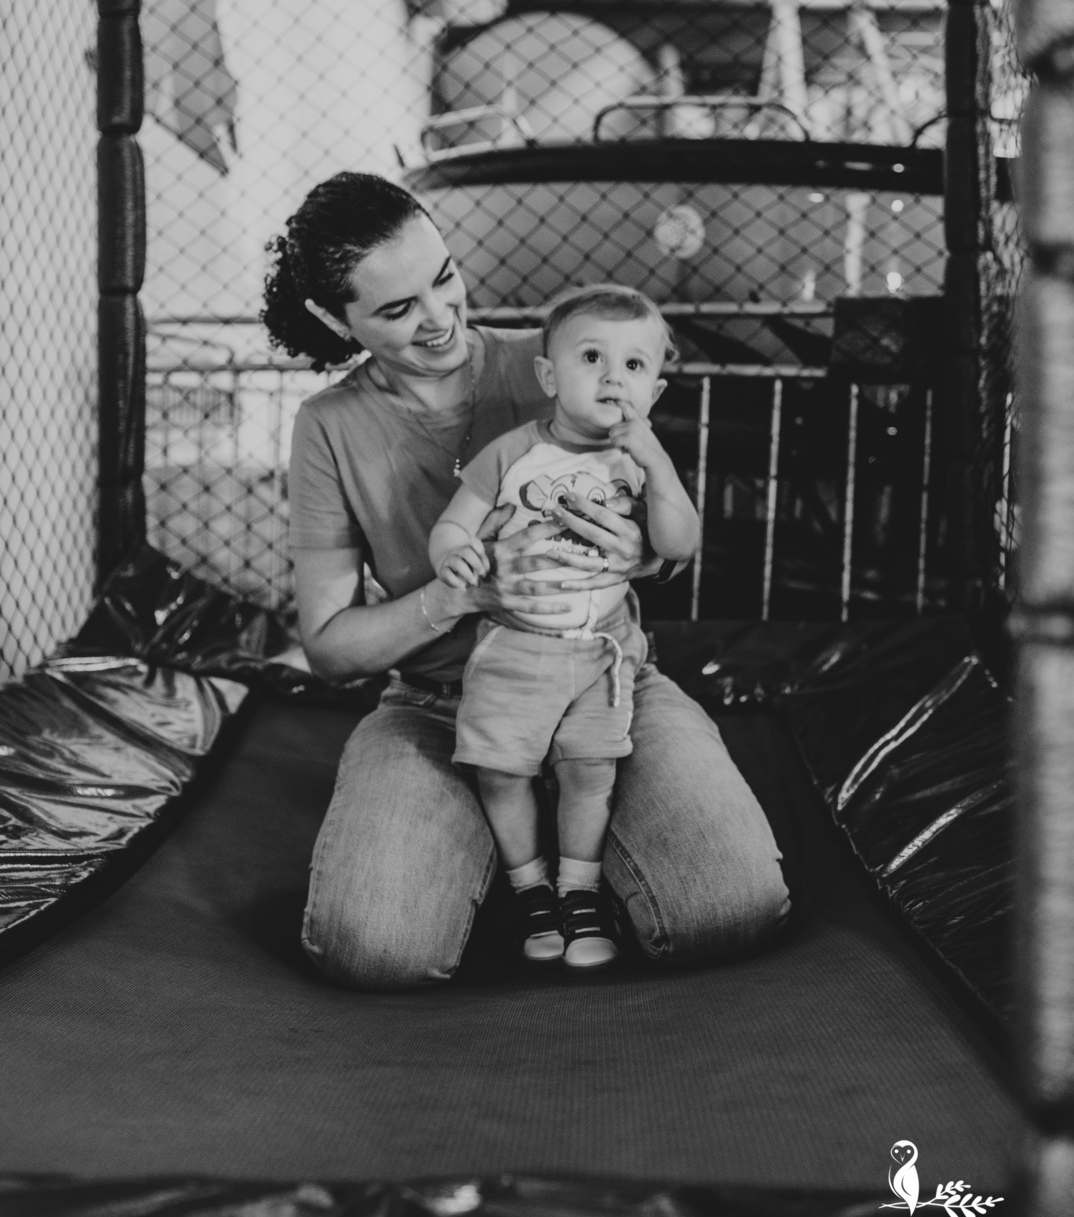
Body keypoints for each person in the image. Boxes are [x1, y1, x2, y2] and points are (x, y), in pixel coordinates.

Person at [263, 171, 789, 990]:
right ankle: (516, 856)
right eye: (397, 309)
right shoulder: (329, 426)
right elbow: (330, 649)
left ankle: (569, 846)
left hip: (603, 680)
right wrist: (461, 596)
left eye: (443, 278)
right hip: (442, 705)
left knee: (731, 903)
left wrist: (641, 549)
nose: (439, 318)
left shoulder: (557, 358)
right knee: (372, 946)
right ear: (338, 320)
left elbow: (665, 528)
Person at [429, 286, 701, 970]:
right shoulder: (512, 453)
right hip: (517, 647)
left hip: (601, 655)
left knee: (589, 770)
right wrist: (454, 553)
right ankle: (531, 892)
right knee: (501, 773)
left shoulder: (641, 464)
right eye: (591, 357)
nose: (613, 378)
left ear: (654, 392)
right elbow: (455, 522)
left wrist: (659, 466)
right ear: (549, 377)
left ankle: (580, 892)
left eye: (633, 365)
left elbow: (679, 543)